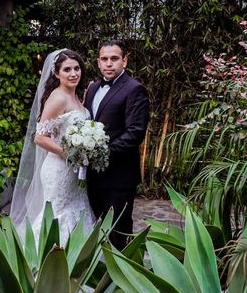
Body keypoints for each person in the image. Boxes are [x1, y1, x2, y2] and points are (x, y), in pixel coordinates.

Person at [10, 49, 96, 243]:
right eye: (67, 70)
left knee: (76, 209)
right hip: (59, 169)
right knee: (58, 213)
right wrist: (68, 154)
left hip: (74, 171)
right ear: (56, 74)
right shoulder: (57, 97)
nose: (74, 73)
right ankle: (45, 261)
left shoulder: (75, 97)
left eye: (77, 68)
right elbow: (40, 138)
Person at [84, 40, 150, 250]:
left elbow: (135, 133)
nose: (109, 63)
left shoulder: (135, 89)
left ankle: (121, 278)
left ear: (124, 61)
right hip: (92, 177)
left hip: (118, 178)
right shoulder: (93, 88)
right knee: (96, 229)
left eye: (114, 59)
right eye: (104, 59)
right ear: (98, 62)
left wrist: (100, 153)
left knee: (118, 233)